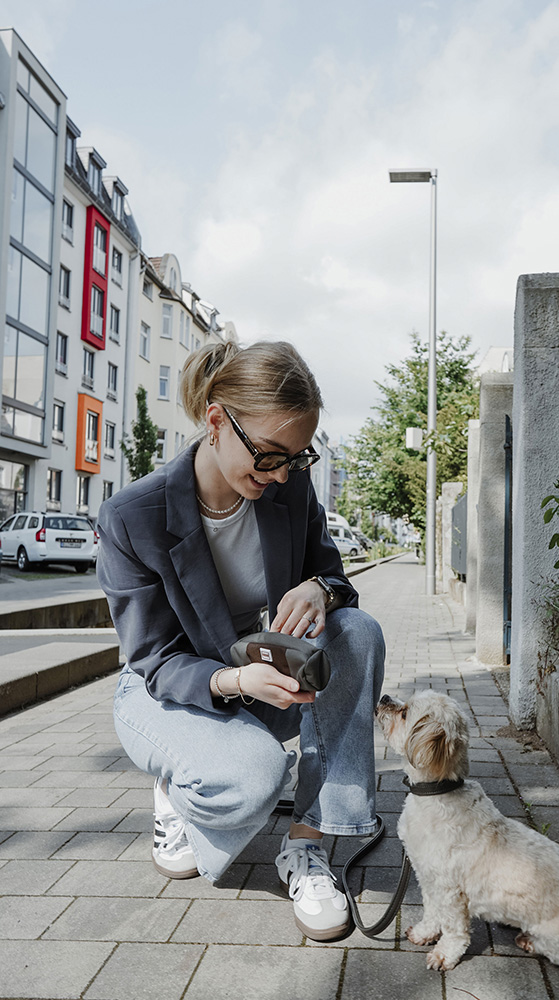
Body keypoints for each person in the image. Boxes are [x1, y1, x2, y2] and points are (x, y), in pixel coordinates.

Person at [97, 340, 385, 942]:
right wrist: (230, 681)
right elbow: (153, 656)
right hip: (168, 687)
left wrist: (321, 591)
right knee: (252, 780)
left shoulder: (289, 489)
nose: (280, 474)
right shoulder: (133, 517)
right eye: (270, 456)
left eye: (296, 460)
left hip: (265, 671)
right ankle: (180, 782)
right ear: (216, 421)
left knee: (357, 634)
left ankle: (309, 844)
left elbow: (335, 579)